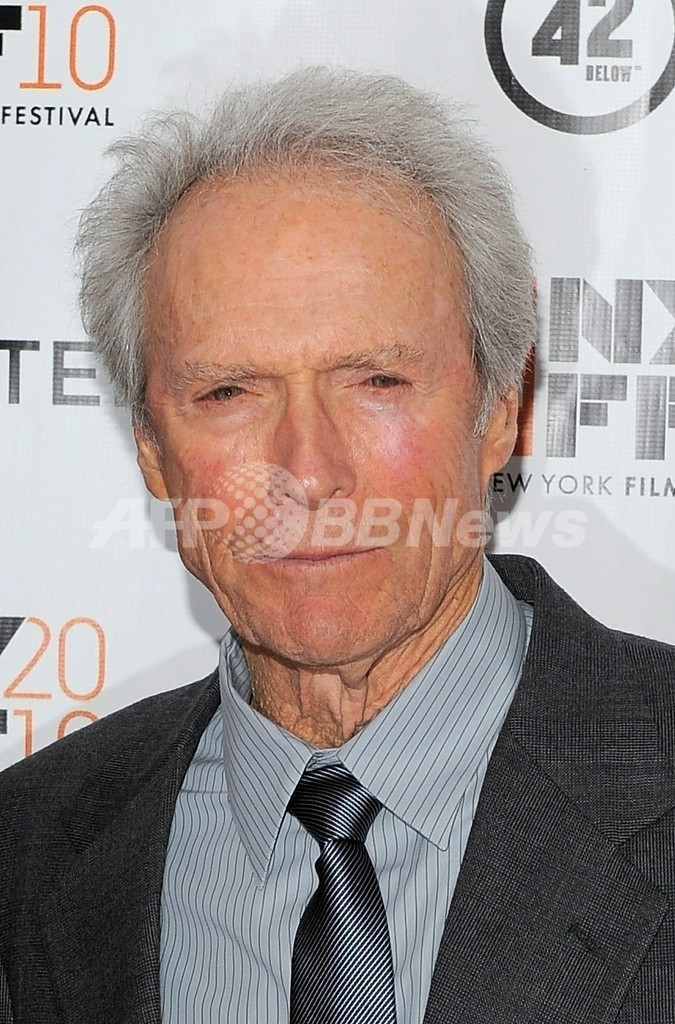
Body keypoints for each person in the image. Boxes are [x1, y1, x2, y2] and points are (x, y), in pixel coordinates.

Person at [1, 67, 674, 1024]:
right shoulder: (28, 853)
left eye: (376, 382)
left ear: (501, 407)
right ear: (151, 448)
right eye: (228, 392)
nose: (307, 472)